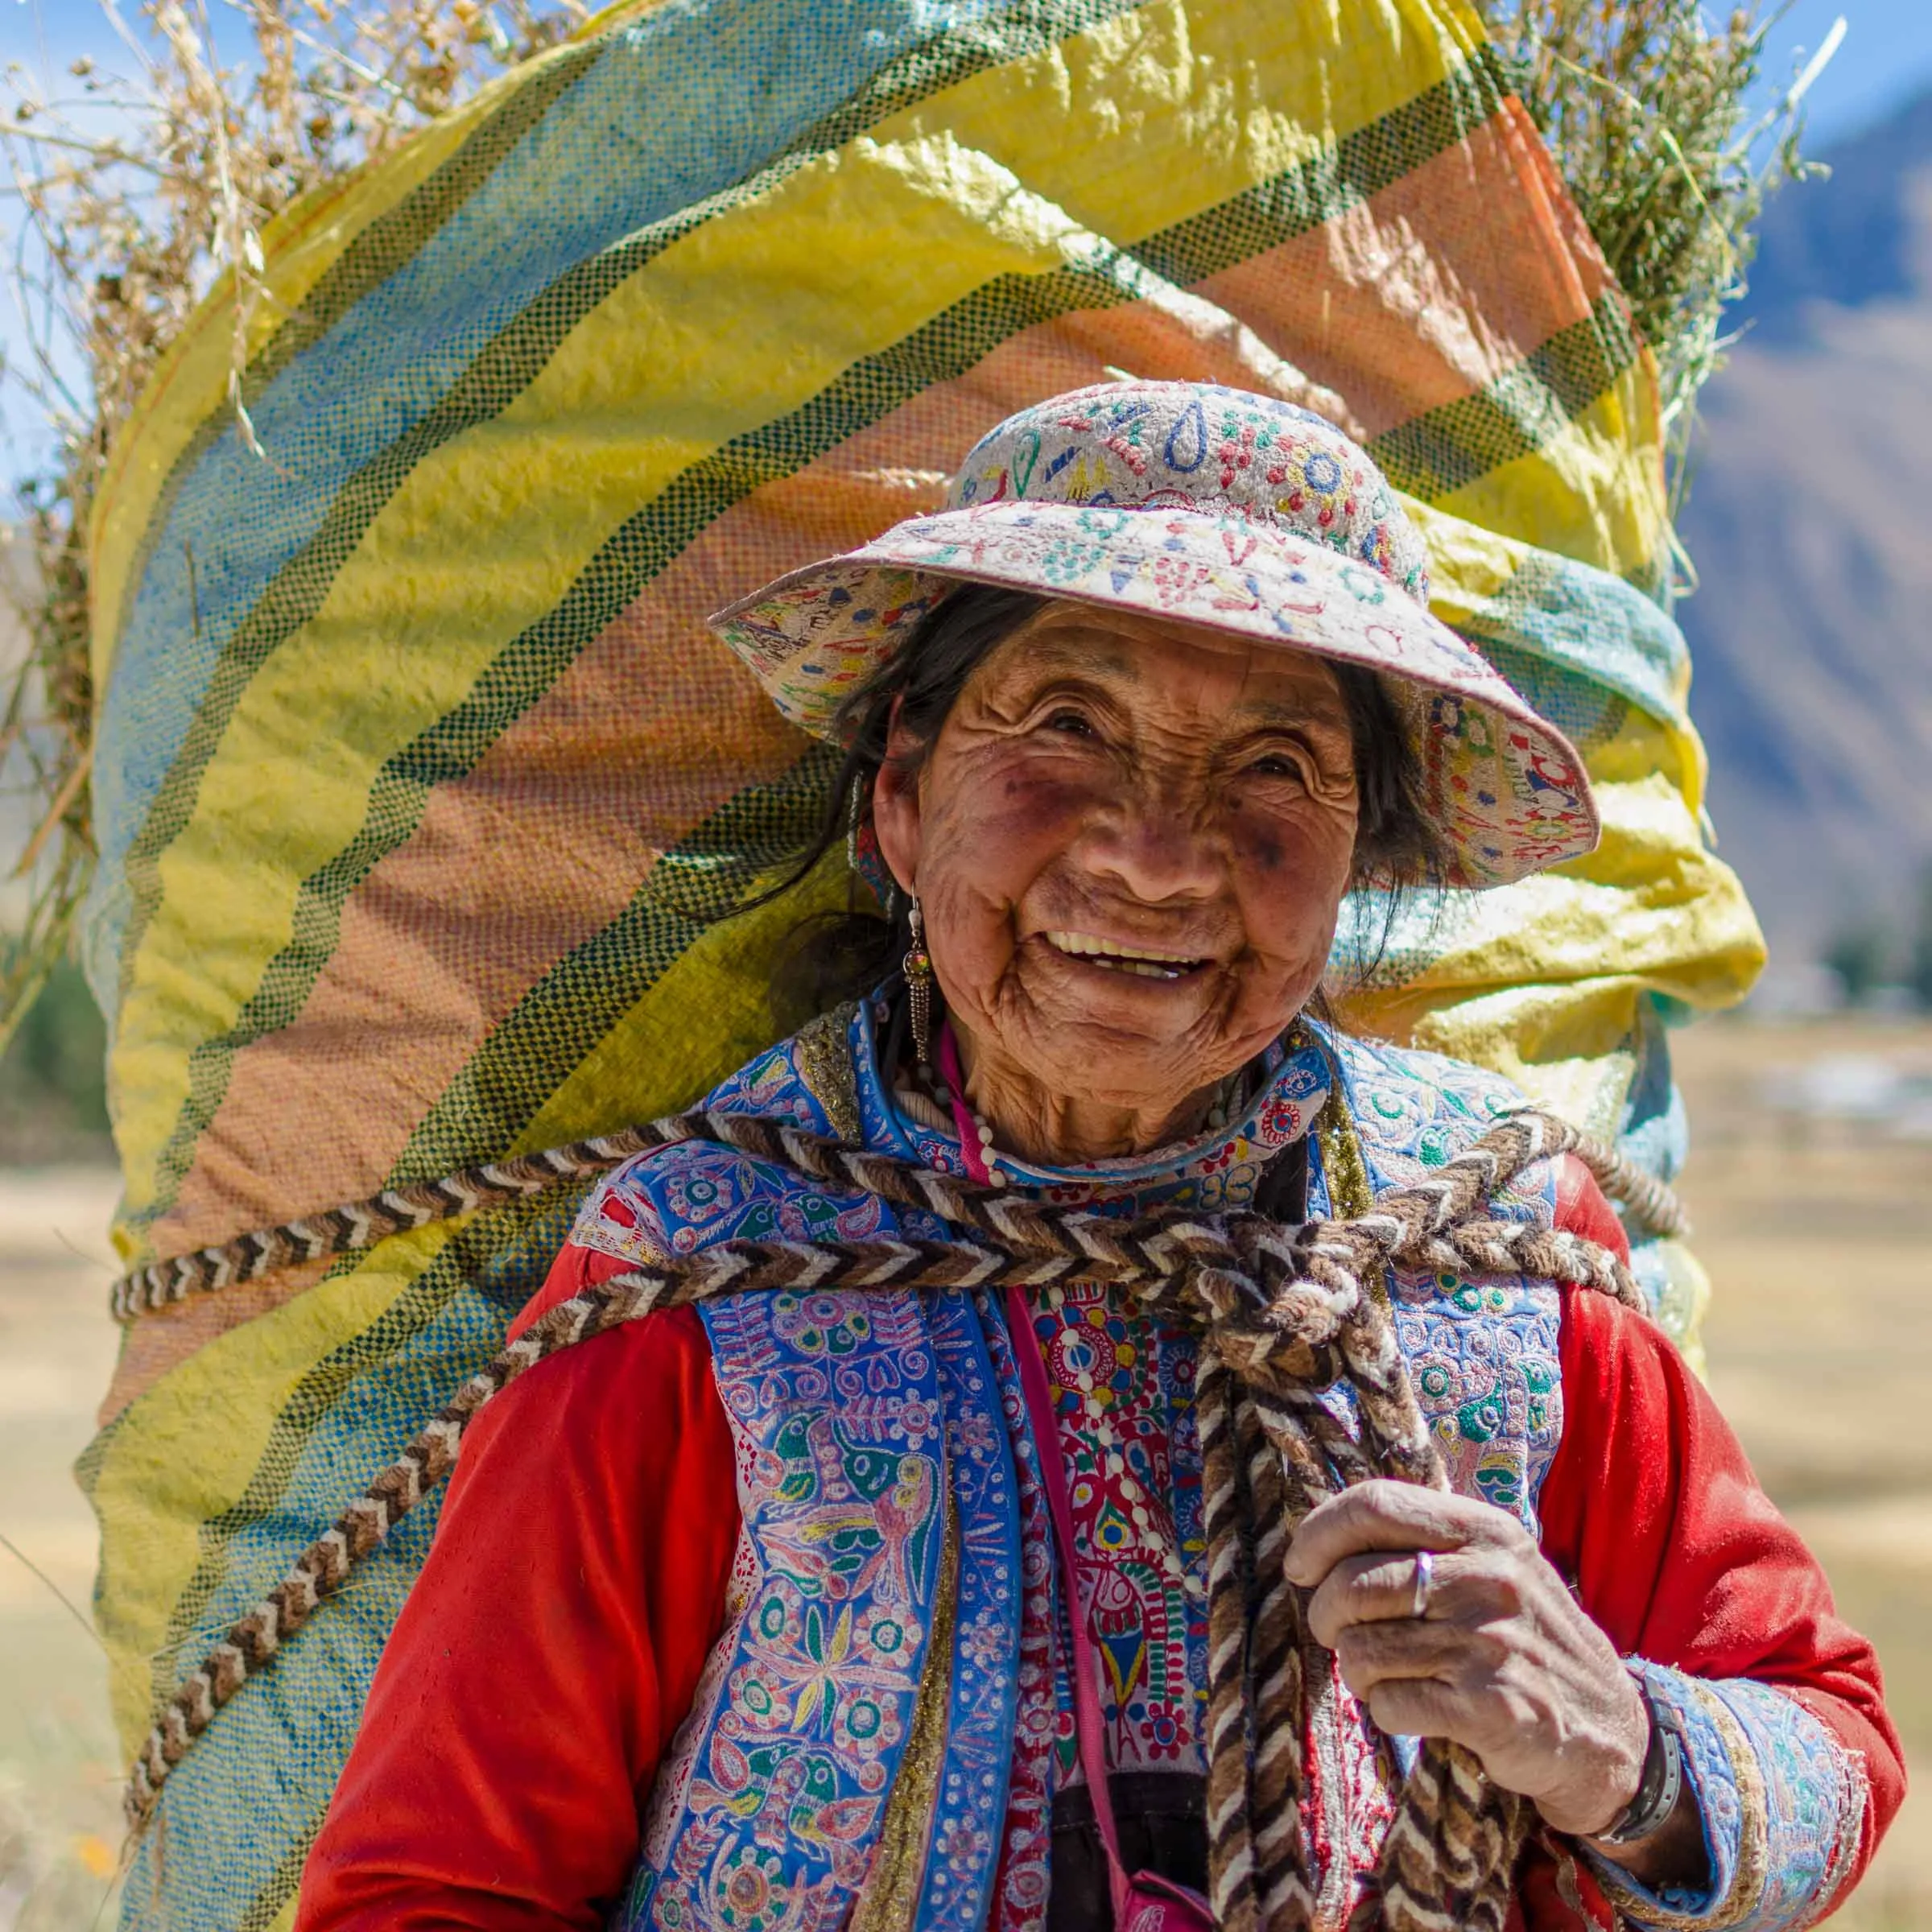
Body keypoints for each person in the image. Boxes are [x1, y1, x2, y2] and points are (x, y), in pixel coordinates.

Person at [295, 382, 1901, 1932]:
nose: (1157, 856)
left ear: (1358, 858)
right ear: (907, 796)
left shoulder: (1496, 1251)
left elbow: (1834, 1748)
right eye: (1066, 725)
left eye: (1276, 766)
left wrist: (1616, 1744)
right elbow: (434, 1892)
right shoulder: (709, 1268)